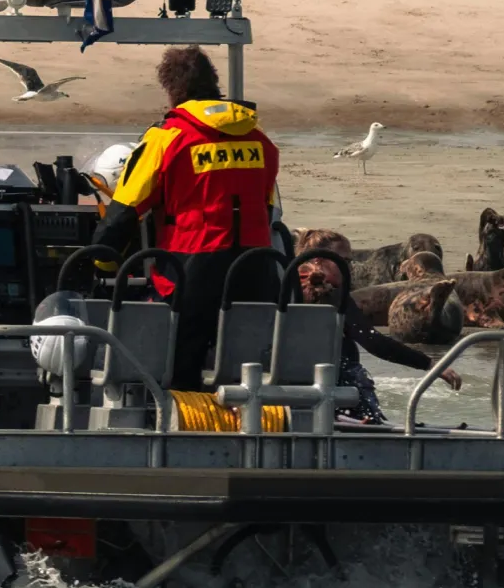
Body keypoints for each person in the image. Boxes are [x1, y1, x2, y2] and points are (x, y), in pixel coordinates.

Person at [92, 46, 281, 390]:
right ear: (214, 83)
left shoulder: (168, 138)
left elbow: (124, 212)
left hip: (190, 271)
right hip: (256, 269)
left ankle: (177, 429)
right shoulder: (260, 139)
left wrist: (101, 264)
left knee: (179, 372)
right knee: (246, 369)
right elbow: (267, 207)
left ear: (171, 90)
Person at [294, 254, 457, 423]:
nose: (348, 266)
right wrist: (430, 364)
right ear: (318, 259)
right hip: (338, 391)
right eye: (344, 260)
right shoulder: (333, 296)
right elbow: (374, 342)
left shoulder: (284, 291)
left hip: (293, 394)